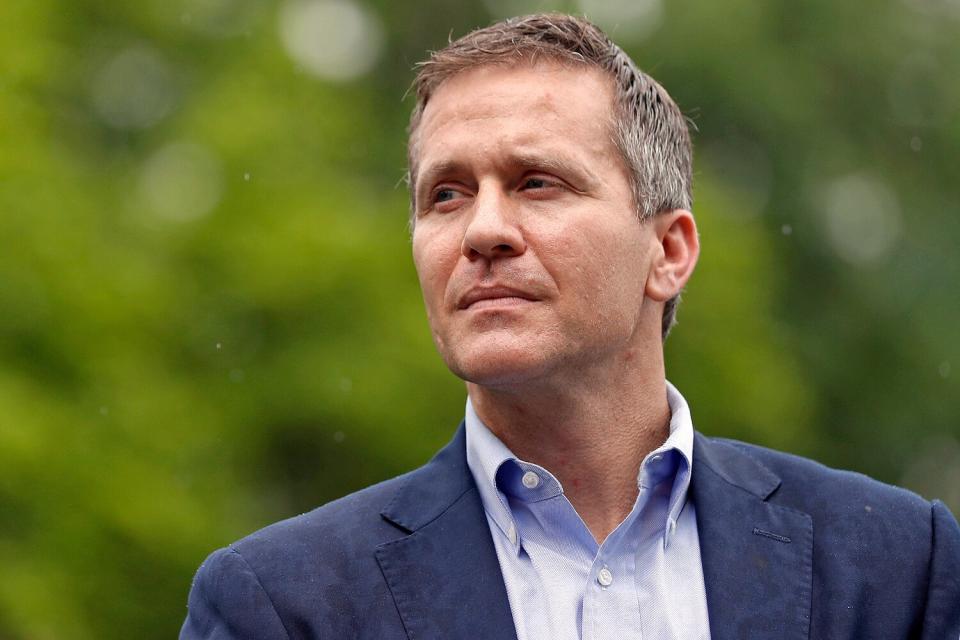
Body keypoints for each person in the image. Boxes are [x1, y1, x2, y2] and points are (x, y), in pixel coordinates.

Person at [180, 14, 960, 640]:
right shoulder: (282, 606)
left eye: (537, 182)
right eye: (446, 195)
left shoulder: (894, 569)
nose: (483, 230)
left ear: (668, 250)